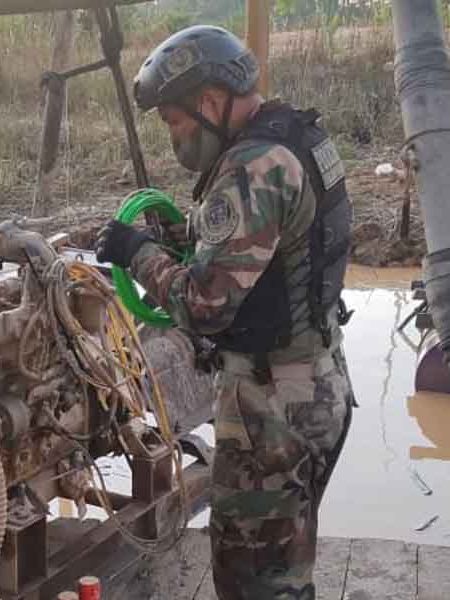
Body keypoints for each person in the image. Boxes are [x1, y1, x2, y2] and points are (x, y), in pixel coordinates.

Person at [95, 25, 356, 599]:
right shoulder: (297, 136)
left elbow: (204, 306)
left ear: (210, 102)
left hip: (271, 410)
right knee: (287, 564)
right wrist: (184, 239)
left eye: (173, 121)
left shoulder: (250, 169)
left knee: (253, 582)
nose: (173, 137)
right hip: (321, 380)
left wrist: (135, 254)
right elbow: (281, 251)